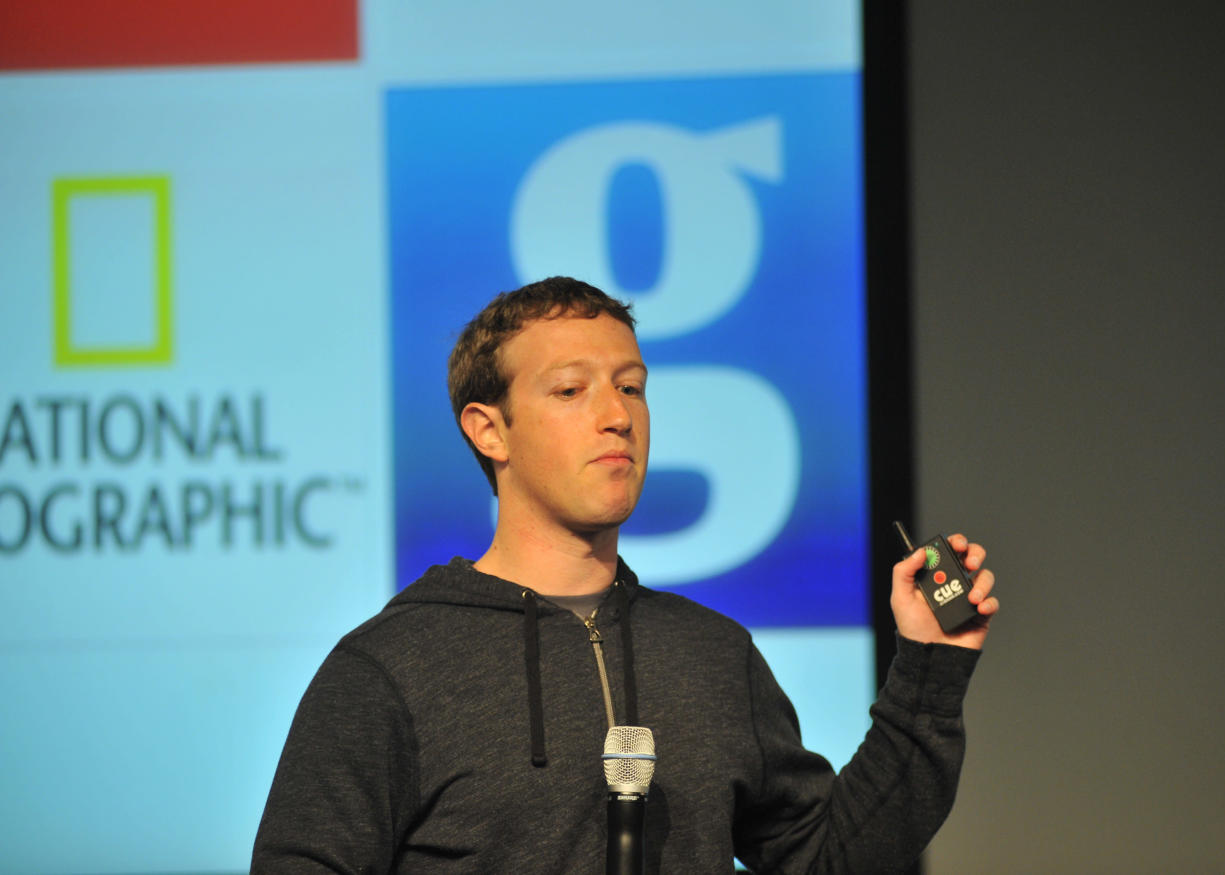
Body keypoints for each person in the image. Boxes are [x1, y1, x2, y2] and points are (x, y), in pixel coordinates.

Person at [252, 276, 998, 873]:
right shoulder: (391, 668)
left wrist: (930, 673)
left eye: (632, 386)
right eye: (571, 389)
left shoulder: (713, 654)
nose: (617, 415)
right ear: (488, 428)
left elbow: (826, 856)